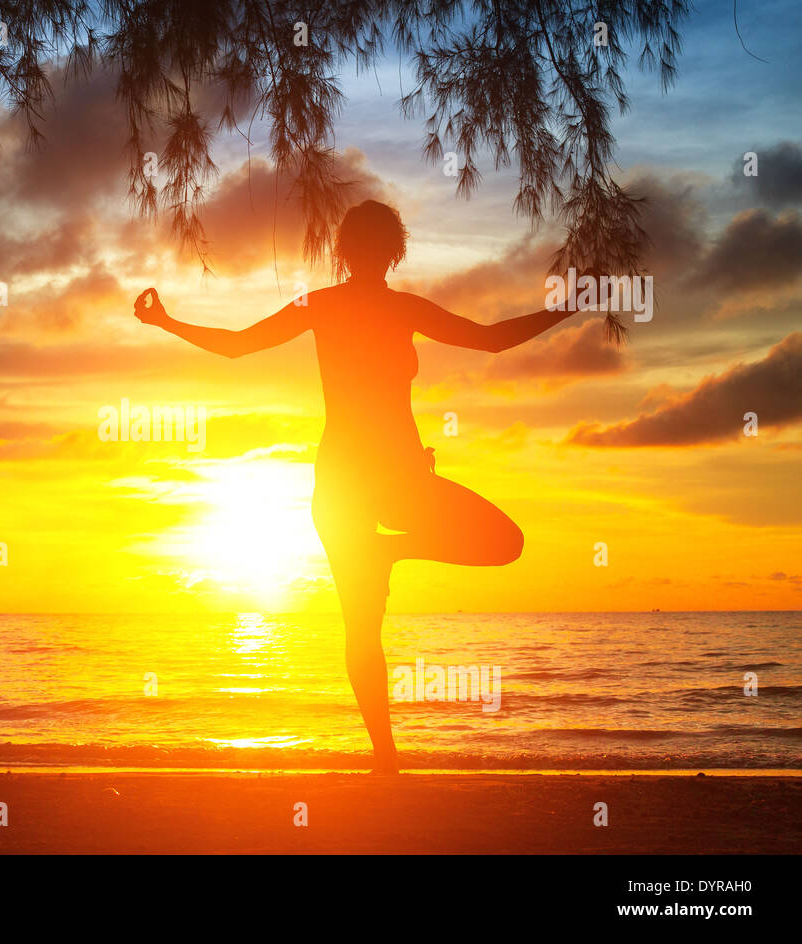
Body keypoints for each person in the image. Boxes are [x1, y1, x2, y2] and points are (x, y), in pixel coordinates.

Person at [134, 199, 587, 773]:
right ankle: (386, 755)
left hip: (362, 480)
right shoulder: (383, 308)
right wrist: (570, 306)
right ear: (389, 249)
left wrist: (166, 321)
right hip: (371, 479)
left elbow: (238, 345)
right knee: (423, 589)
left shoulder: (333, 305)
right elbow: (493, 340)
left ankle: (386, 747)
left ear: (348, 249)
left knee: (420, 589)